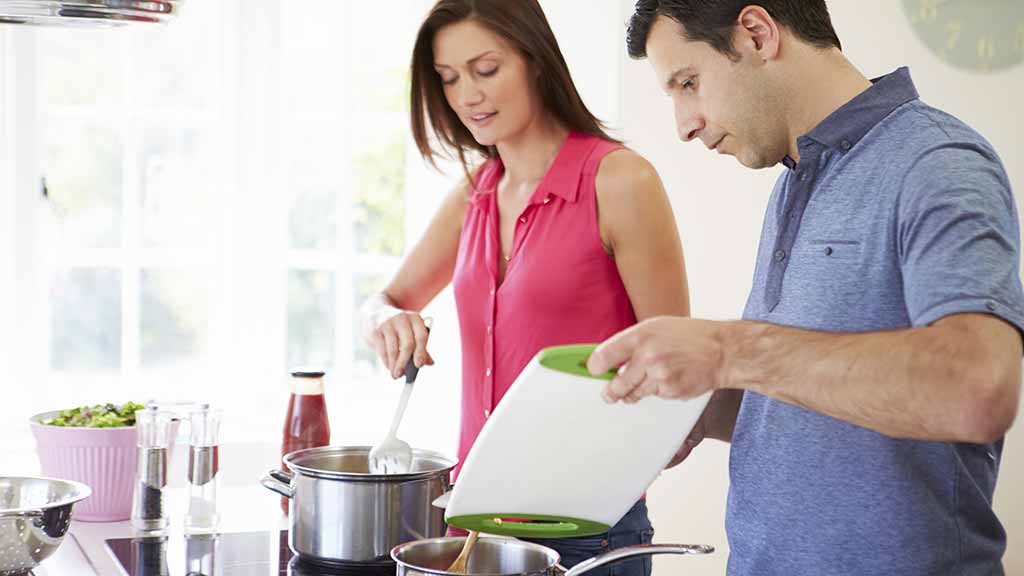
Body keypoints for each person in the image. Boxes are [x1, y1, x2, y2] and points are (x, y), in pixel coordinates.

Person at [586, 1, 1024, 574]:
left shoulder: (937, 161)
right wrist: (703, 406)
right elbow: (817, 390)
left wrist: (729, 349)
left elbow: (978, 388)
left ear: (757, 33)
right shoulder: (792, 182)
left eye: (688, 83)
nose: (685, 124)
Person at [360, 1, 689, 573]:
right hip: (474, 526)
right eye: (449, 79)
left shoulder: (620, 181)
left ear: (535, 61)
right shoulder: (475, 193)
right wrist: (385, 319)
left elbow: (679, 370)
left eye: (485, 70)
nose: (466, 96)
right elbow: (384, 300)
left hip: (590, 531)